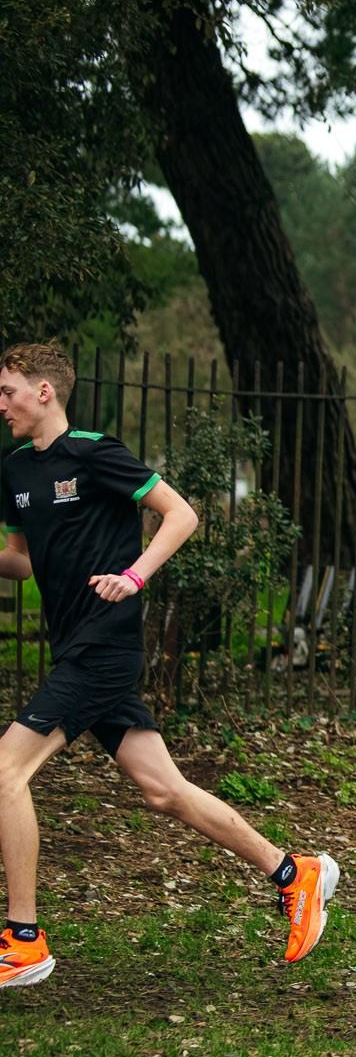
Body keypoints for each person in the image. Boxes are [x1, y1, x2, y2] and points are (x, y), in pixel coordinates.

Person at [0, 342, 338, 988]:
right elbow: (22, 558)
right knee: (164, 790)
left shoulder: (95, 450)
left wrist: (134, 575)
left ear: (45, 391)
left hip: (106, 644)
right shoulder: (14, 470)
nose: (1, 403)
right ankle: (296, 872)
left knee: (5, 770)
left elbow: (182, 514)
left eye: (9, 389)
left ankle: (23, 938)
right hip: (73, 643)